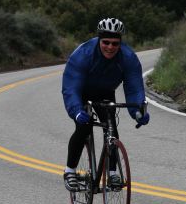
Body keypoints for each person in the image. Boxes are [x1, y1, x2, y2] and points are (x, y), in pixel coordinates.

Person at [61, 17, 149, 191]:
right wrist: (77, 111)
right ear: (99, 40)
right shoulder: (83, 54)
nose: (110, 47)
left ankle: (113, 173)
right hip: (82, 92)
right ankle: (69, 170)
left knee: (112, 130)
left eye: (115, 44)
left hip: (105, 92)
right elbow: (71, 88)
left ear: (120, 43)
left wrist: (138, 111)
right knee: (84, 127)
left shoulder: (128, 57)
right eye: (106, 42)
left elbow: (134, 88)